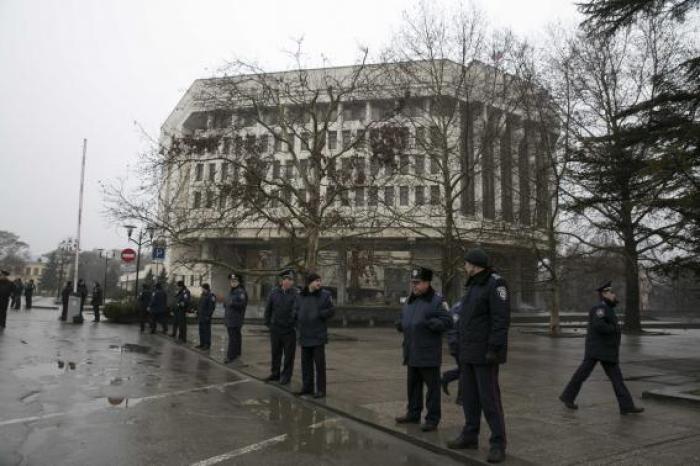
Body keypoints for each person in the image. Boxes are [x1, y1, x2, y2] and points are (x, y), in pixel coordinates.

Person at [447, 248, 510, 464]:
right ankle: (470, 435)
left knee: (490, 400)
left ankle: (498, 443)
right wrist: (458, 345)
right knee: (470, 399)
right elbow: (466, 319)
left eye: (466, 263)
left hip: (485, 355)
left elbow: (500, 320)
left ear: (474, 265)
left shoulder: (496, 284)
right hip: (468, 353)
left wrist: (494, 349)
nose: (464, 267)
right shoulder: (473, 285)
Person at [559, 281, 644, 415]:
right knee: (582, 375)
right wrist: (614, 328)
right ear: (604, 294)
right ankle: (568, 397)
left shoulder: (607, 308)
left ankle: (626, 406)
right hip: (597, 350)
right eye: (611, 292)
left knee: (617, 379)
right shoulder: (600, 308)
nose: (614, 294)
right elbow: (599, 326)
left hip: (606, 351)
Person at [394, 266, 452, 432]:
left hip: (428, 352)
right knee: (413, 386)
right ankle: (413, 413)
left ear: (427, 283)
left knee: (432, 390)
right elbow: (405, 317)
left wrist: (436, 324)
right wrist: (401, 324)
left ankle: (432, 419)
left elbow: (449, 321)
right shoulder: (410, 300)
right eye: (413, 282)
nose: (414, 286)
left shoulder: (437, 300)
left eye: (417, 283)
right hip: (411, 351)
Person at [294, 272, 335, 398]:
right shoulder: (301, 295)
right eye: (316, 281)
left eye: (319, 280)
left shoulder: (325, 295)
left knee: (319, 365)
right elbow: (295, 309)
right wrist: (297, 317)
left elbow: (331, 310)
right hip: (305, 334)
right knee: (306, 364)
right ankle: (307, 387)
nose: (319, 283)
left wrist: (321, 314)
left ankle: (321, 390)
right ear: (309, 283)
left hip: (318, 334)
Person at [264, 269, 299, 385]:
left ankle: (286, 376)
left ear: (293, 282)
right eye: (285, 279)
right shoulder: (274, 292)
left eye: (290, 279)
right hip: (275, 329)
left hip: (289, 330)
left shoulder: (296, 294)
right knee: (275, 353)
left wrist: (292, 324)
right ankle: (275, 374)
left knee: (288, 355)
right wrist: (268, 323)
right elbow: (268, 309)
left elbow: (296, 311)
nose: (287, 281)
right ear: (281, 281)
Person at [441, 301, 463, 404]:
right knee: (465, 370)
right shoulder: (463, 306)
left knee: (465, 369)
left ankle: (447, 377)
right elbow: (453, 325)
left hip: (456, 341)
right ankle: (461, 397)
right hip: (459, 342)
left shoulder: (458, 304)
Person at [224, 273, 248, 363]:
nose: (232, 283)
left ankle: (231, 356)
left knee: (233, 338)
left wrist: (232, 303)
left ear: (238, 282)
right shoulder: (232, 291)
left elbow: (242, 304)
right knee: (235, 337)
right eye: (231, 281)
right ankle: (237, 353)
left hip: (236, 319)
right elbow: (226, 303)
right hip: (230, 318)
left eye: (234, 281)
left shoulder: (241, 292)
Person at [196, 283, 216, 350]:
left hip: (206, 317)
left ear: (205, 288)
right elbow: (200, 305)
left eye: (202, 288)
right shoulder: (203, 295)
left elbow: (211, 307)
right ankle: (202, 343)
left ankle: (207, 345)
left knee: (206, 331)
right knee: (201, 330)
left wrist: (208, 315)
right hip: (201, 316)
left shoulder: (211, 296)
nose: (201, 289)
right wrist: (197, 312)